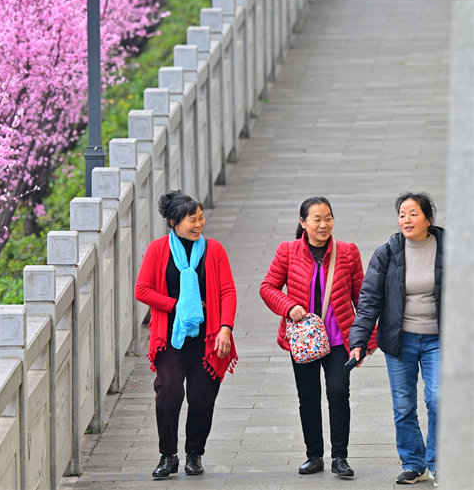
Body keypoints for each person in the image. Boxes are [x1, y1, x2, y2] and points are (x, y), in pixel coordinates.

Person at [260, 196, 372, 478]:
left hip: (338, 340)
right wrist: (289, 306)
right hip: (303, 340)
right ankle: (314, 456)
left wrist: (365, 342)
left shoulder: (347, 252)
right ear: (303, 222)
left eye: (328, 218)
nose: (324, 225)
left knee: (338, 393)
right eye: (317, 219)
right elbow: (267, 287)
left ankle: (340, 457)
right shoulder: (287, 251)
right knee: (308, 397)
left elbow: (363, 298)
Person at [135, 190, 237, 479]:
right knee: (168, 391)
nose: (198, 224)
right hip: (171, 336)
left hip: (208, 335)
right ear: (173, 222)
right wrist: (176, 305)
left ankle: (195, 453)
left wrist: (226, 329)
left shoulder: (214, 249)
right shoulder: (158, 250)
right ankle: (168, 455)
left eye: (201, 218)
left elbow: (228, 291)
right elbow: (141, 289)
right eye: (192, 220)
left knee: (202, 396)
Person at [349, 192, 443, 486]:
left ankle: (440, 461)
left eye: (414, 214)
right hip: (400, 340)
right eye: (402, 214)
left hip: (439, 340)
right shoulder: (388, 252)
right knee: (403, 405)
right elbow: (370, 299)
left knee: (439, 399)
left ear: (428, 219)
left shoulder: (451, 248)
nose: (407, 219)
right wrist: (359, 340)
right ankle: (414, 463)